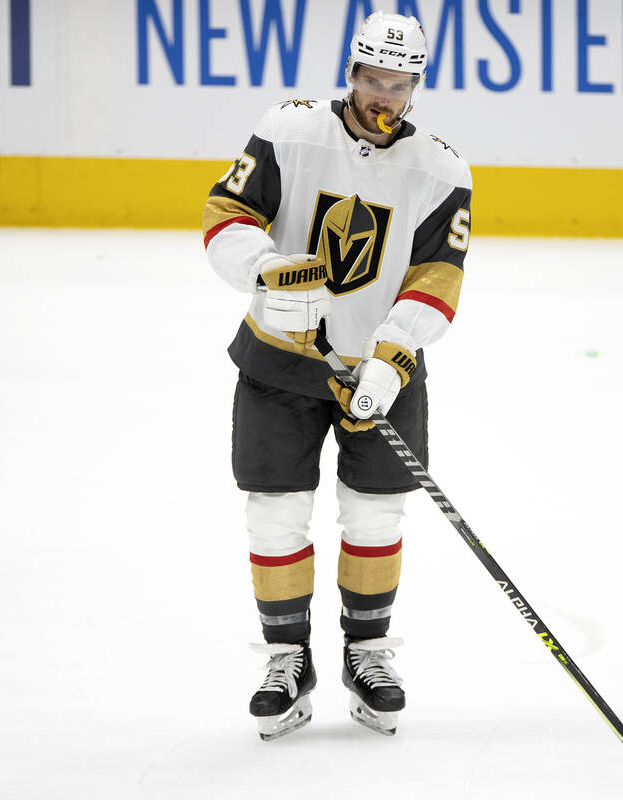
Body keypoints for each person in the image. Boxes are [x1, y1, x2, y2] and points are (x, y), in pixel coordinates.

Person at [200, 11, 472, 741]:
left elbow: (437, 276)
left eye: (401, 83)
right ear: (351, 74)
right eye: (374, 79)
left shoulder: (442, 169)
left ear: (417, 85)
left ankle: (368, 653)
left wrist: (392, 356)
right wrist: (264, 270)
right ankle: (288, 660)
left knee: (376, 515)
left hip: (379, 372)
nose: (386, 96)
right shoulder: (289, 130)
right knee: (275, 513)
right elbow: (227, 213)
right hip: (278, 362)